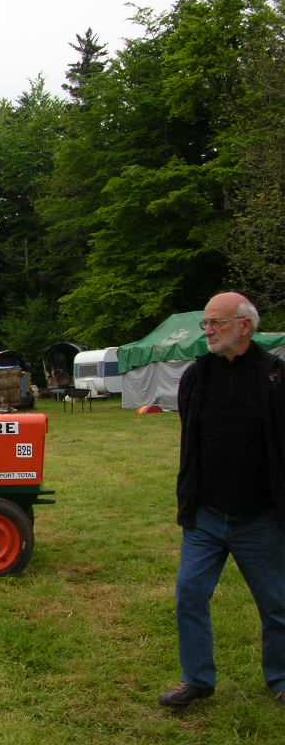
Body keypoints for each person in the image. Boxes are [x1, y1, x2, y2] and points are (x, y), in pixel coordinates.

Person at [159, 292, 285, 710]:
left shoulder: (275, 375)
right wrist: (190, 500)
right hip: (207, 515)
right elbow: (190, 439)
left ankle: (281, 678)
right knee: (190, 594)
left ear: (245, 326)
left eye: (217, 323)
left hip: (261, 517)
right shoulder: (197, 375)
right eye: (206, 324)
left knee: (277, 605)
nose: (208, 331)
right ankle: (197, 680)